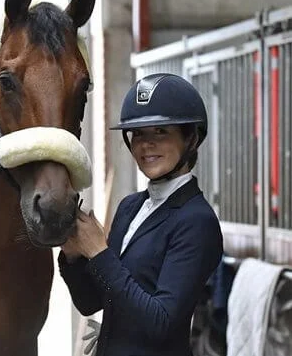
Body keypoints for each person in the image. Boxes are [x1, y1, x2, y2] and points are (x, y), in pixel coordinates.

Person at [59, 73, 223, 356]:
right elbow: (92, 302)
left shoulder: (197, 221)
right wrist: (74, 256)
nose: (146, 144)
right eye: (139, 133)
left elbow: (161, 322)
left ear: (191, 138)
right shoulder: (129, 207)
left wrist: (99, 253)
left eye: (160, 131)